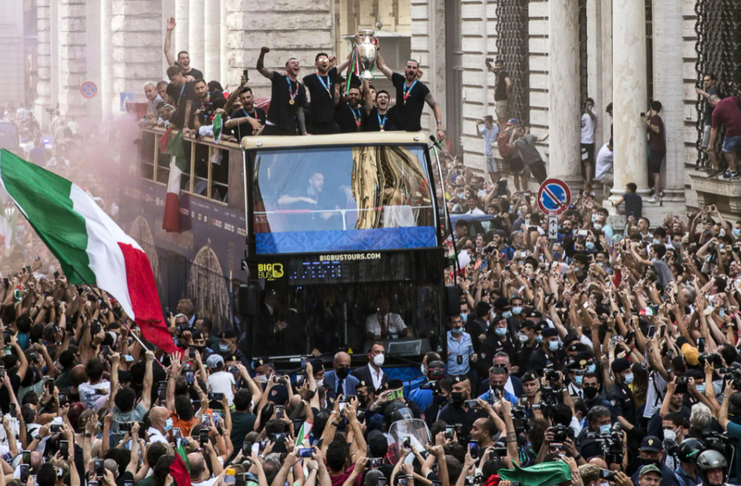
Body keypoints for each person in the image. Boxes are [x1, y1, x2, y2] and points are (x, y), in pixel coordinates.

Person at [375, 51, 445, 140]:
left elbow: (435, 105)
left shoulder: (421, 88)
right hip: (397, 131)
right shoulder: (399, 80)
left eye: (414, 68)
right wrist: (377, 49)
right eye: (409, 67)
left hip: (413, 132)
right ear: (405, 69)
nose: (411, 69)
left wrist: (439, 128)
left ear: (417, 71)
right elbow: (381, 66)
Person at [256, 46, 307, 135]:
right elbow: (260, 68)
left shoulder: (301, 88)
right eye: (293, 63)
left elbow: (300, 111)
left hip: (289, 127)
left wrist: (304, 132)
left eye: (297, 63)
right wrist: (262, 53)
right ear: (287, 68)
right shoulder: (279, 78)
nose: (296, 64)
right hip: (273, 124)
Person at [302, 52, 352, 134]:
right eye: (321, 60)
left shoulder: (332, 74)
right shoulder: (310, 78)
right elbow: (296, 85)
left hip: (330, 124)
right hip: (315, 125)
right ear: (316, 64)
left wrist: (355, 47)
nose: (324, 61)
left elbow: (347, 60)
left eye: (326, 59)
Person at [708, 93, 741, 179]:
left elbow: (714, 129)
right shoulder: (730, 99)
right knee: (732, 149)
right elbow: (739, 98)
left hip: (732, 130)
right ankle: (731, 169)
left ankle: (734, 171)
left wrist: (711, 144)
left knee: (726, 150)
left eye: (710, 104)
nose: (711, 107)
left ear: (712, 101)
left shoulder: (716, 111)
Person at [696, 74, 721, 176]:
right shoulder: (710, 91)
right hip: (709, 122)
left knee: (707, 146)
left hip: (711, 123)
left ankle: (715, 167)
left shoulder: (714, 91)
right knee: (707, 146)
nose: (705, 82)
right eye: (704, 81)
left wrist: (702, 93)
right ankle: (713, 166)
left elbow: (715, 100)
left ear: (713, 81)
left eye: (708, 80)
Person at [643, 101, 666, 201]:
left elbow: (657, 130)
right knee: (653, 171)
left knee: (655, 172)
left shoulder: (656, 119)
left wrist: (647, 122)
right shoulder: (653, 118)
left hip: (657, 148)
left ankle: (657, 193)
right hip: (655, 148)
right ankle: (656, 190)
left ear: (651, 108)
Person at [485, 58, 511, 124]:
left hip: (502, 100)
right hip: (498, 100)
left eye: (499, 65)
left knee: (502, 119)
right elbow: (490, 67)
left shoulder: (504, 74)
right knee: (500, 118)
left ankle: (503, 132)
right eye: (496, 65)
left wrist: (507, 94)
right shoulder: (497, 73)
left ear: (502, 66)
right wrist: (486, 61)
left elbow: (509, 84)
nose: (497, 67)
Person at [477, 116, 500, 184]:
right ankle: (494, 184)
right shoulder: (485, 129)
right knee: (490, 171)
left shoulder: (496, 128)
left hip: (494, 152)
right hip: (487, 152)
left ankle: (498, 184)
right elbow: (479, 134)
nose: (484, 122)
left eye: (485, 121)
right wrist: (477, 126)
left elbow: (500, 134)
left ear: (488, 121)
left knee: (496, 171)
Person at [581, 98, 597, 186]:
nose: (587, 106)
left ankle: (588, 180)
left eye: (589, 104)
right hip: (581, 140)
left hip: (587, 141)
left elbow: (593, 117)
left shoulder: (592, 114)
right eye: (586, 104)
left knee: (587, 161)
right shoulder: (582, 115)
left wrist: (589, 110)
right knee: (583, 161)